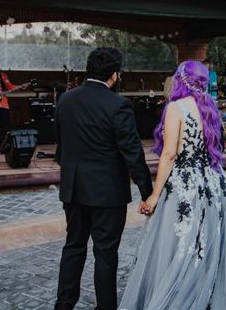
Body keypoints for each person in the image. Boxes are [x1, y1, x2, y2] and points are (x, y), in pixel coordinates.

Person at [119, 60, 226, 310]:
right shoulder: (209, 107)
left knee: (180, 241)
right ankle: (206, 291)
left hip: (185, 183)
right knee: (209, 239)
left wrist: (154, 195)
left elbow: (169, 154)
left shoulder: (176, 108)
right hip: (214, 182)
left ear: (180, 80)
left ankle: (180, 295)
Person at [54, 47, 153, 310]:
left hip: (73, 188)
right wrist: (148, 192)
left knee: (73, 247)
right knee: (105, 254)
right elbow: (132, 153)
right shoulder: (118, 105)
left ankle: (63, 305)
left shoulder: (65, 100)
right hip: (107, 193)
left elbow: (61, 148)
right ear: (114, 75)